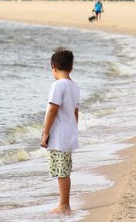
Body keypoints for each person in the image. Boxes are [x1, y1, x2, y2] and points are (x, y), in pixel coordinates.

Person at [41, 47, 80, 214]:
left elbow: (52, 109)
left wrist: (45, 132)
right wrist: (74, 128)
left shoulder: (58, 85)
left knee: (62, 172)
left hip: (59, 135)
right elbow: (75, 111)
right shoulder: (74, 86)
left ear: (53, 68)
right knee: (63, 171)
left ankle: (64, 205)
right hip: (68, 133)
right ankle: (64, 203)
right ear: (71, 67)